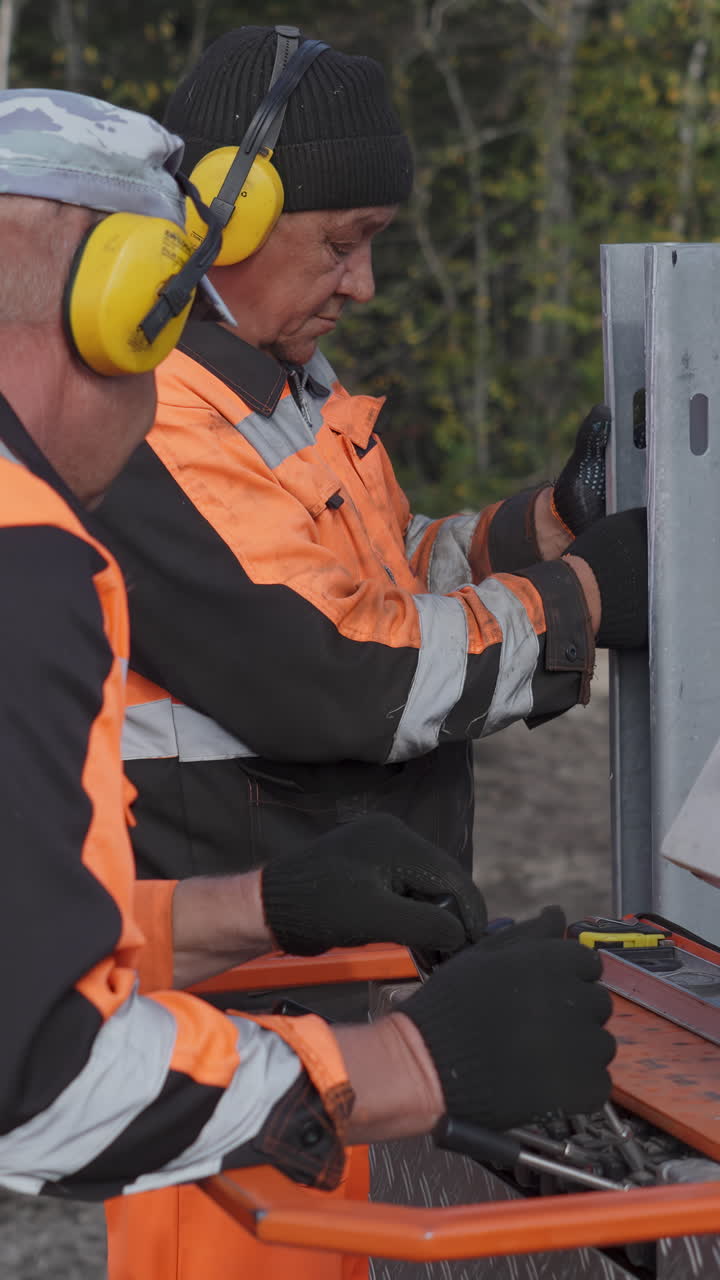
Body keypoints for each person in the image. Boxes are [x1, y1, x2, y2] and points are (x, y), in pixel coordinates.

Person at [0, 83, 614, 1276]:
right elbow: (43, 1070)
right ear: (126, 316)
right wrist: (398, 1068)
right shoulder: (24, 558)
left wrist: (251, 910)